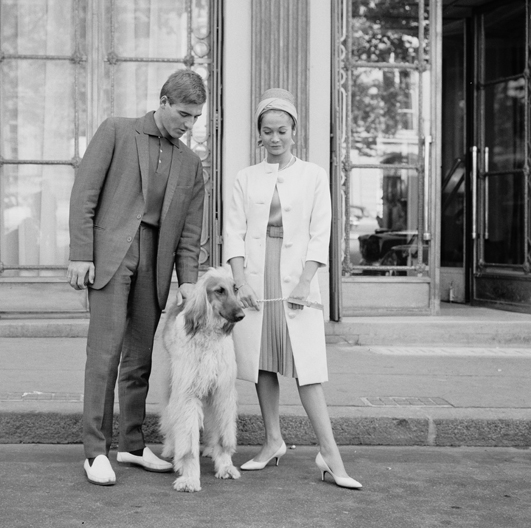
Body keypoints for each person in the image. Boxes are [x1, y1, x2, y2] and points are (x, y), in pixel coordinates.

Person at [67, 69, 206, 486]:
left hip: (157, 262)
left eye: (196, 117)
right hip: (112, 255)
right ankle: (95, 452)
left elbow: (190, 232)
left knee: (140, 358)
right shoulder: (116, 131)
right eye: (184, 113)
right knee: (105, 354)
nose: (189, 124)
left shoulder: (190, 163)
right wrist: (80, 255)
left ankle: (129, 444)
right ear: (163, 101)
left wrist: (188, 281)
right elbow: (84, 194)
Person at [224, 88, 361, 489]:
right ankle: (272, 442)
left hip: (297, 278)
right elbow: (232, 232)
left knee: (307, 369)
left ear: (294, 130)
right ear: (259, 134)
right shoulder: (245, 178)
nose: (275, 138)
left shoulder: (314, 175)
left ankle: (329, 452)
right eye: (267, 131)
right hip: (256, 275)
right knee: (262, 363)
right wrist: (240, 281)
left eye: (282, 130)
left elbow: (322, 234)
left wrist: (305, 282)